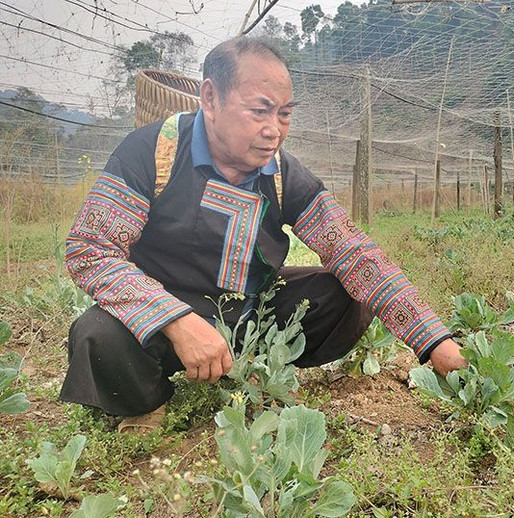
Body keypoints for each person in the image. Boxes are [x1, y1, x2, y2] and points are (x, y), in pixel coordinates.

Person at [59, 37, 466, 430]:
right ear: (211, 99)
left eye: (284, 114)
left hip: (251, 317)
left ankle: (258, 369)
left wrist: (433, 341)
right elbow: (90, 249)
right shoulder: (154, 152)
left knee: (345, 292)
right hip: (160, 321)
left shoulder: (283, 174)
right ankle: (148, 402)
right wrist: (177, 320)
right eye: (259, 111)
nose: (274, 130)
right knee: (97, 335)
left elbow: (355, 253)